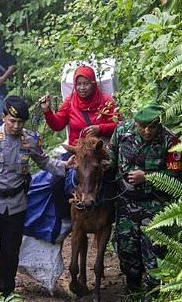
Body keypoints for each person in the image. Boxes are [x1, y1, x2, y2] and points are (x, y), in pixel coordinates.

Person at [0, 96, 74, 301]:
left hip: (16, 205)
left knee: (10, 253)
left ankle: (5, 293)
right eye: (12, 121)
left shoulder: (29, 141)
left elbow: (44, 162)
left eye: (20, 122)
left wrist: (65, 166)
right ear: (3, 117)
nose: (16, 126)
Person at [107, 102, 182, 294]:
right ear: (135, 124)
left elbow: (177, 175)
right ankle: (133, 290)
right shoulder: (122, 132)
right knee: (126, 250)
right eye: (143, 127)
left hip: (155, 203)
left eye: (153, 127)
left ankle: (152, 295)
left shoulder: (171, 141)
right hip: (126, 201)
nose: (147, 131)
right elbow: (111, 158)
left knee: (154, 252)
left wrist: (147, 176)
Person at [38, 65, 120, 231]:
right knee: (56, 182)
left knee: (115, 179)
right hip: (77, 151)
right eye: (79, 84)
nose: (82, 88)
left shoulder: (106, 102)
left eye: (86, 83)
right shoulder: (70, 102)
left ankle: (114, 218)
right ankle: (66, 218)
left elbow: (119, 124)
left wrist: (100, 128)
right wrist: (47, 112)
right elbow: (58, 124)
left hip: (99, 151)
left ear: (94, 83)